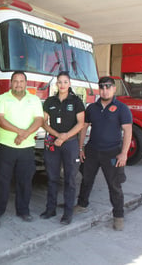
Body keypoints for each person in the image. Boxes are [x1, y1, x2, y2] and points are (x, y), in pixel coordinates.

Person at [74, 76, 132, 231]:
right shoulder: (92, 108)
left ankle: (118, 216)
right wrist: (81, 148)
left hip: (112, 153)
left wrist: (124, 153)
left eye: (108, 87)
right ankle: (82, 204)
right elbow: (84, 128)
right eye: (102, 87)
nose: (105, 90)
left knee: (114, 185)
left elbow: (128, 131)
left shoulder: (122, 108)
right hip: (92, 150)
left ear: (114, 89)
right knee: (86, 179)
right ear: (99, 89)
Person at [0, 71, 44, 222]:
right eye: (15, 81)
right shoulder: (2, 98)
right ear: (11, 83)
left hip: (27, 147)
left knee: (25, 181)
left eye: (21, 81)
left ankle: (23, 211)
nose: (18, 84)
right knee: (2, 180)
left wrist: (25, 134)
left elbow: (39, 120)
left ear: (26, 83)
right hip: (5, 145)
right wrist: (20, 132)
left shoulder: (34, 100)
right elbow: (0, 119)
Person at [40, 71, 85, 225]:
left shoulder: (76, 101)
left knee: (70, 179)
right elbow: (43, 122)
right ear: (56, 84)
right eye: (60, 82)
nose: (62, 85)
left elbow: (80, 123)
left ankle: (67, 213)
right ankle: (50, 209)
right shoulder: (50, 101)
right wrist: (57, 135)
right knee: (52, 178)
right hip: (53, 142)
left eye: (65, 82)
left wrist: (65, 136)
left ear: (69, 84)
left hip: (70, 143)